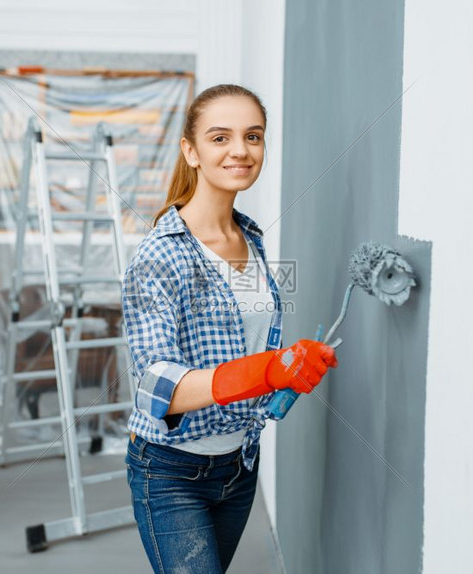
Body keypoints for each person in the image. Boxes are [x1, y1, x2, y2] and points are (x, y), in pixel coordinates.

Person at [122, 84, 338, 573]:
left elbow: (254, 345)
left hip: (239, 464)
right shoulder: (160, 256)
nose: (240, 150)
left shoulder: (253, 239)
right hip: (171, 469)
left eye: (253, 136)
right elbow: (157, 388)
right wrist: (267, 370)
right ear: (191, 151)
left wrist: (293, 365)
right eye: (220, 138)